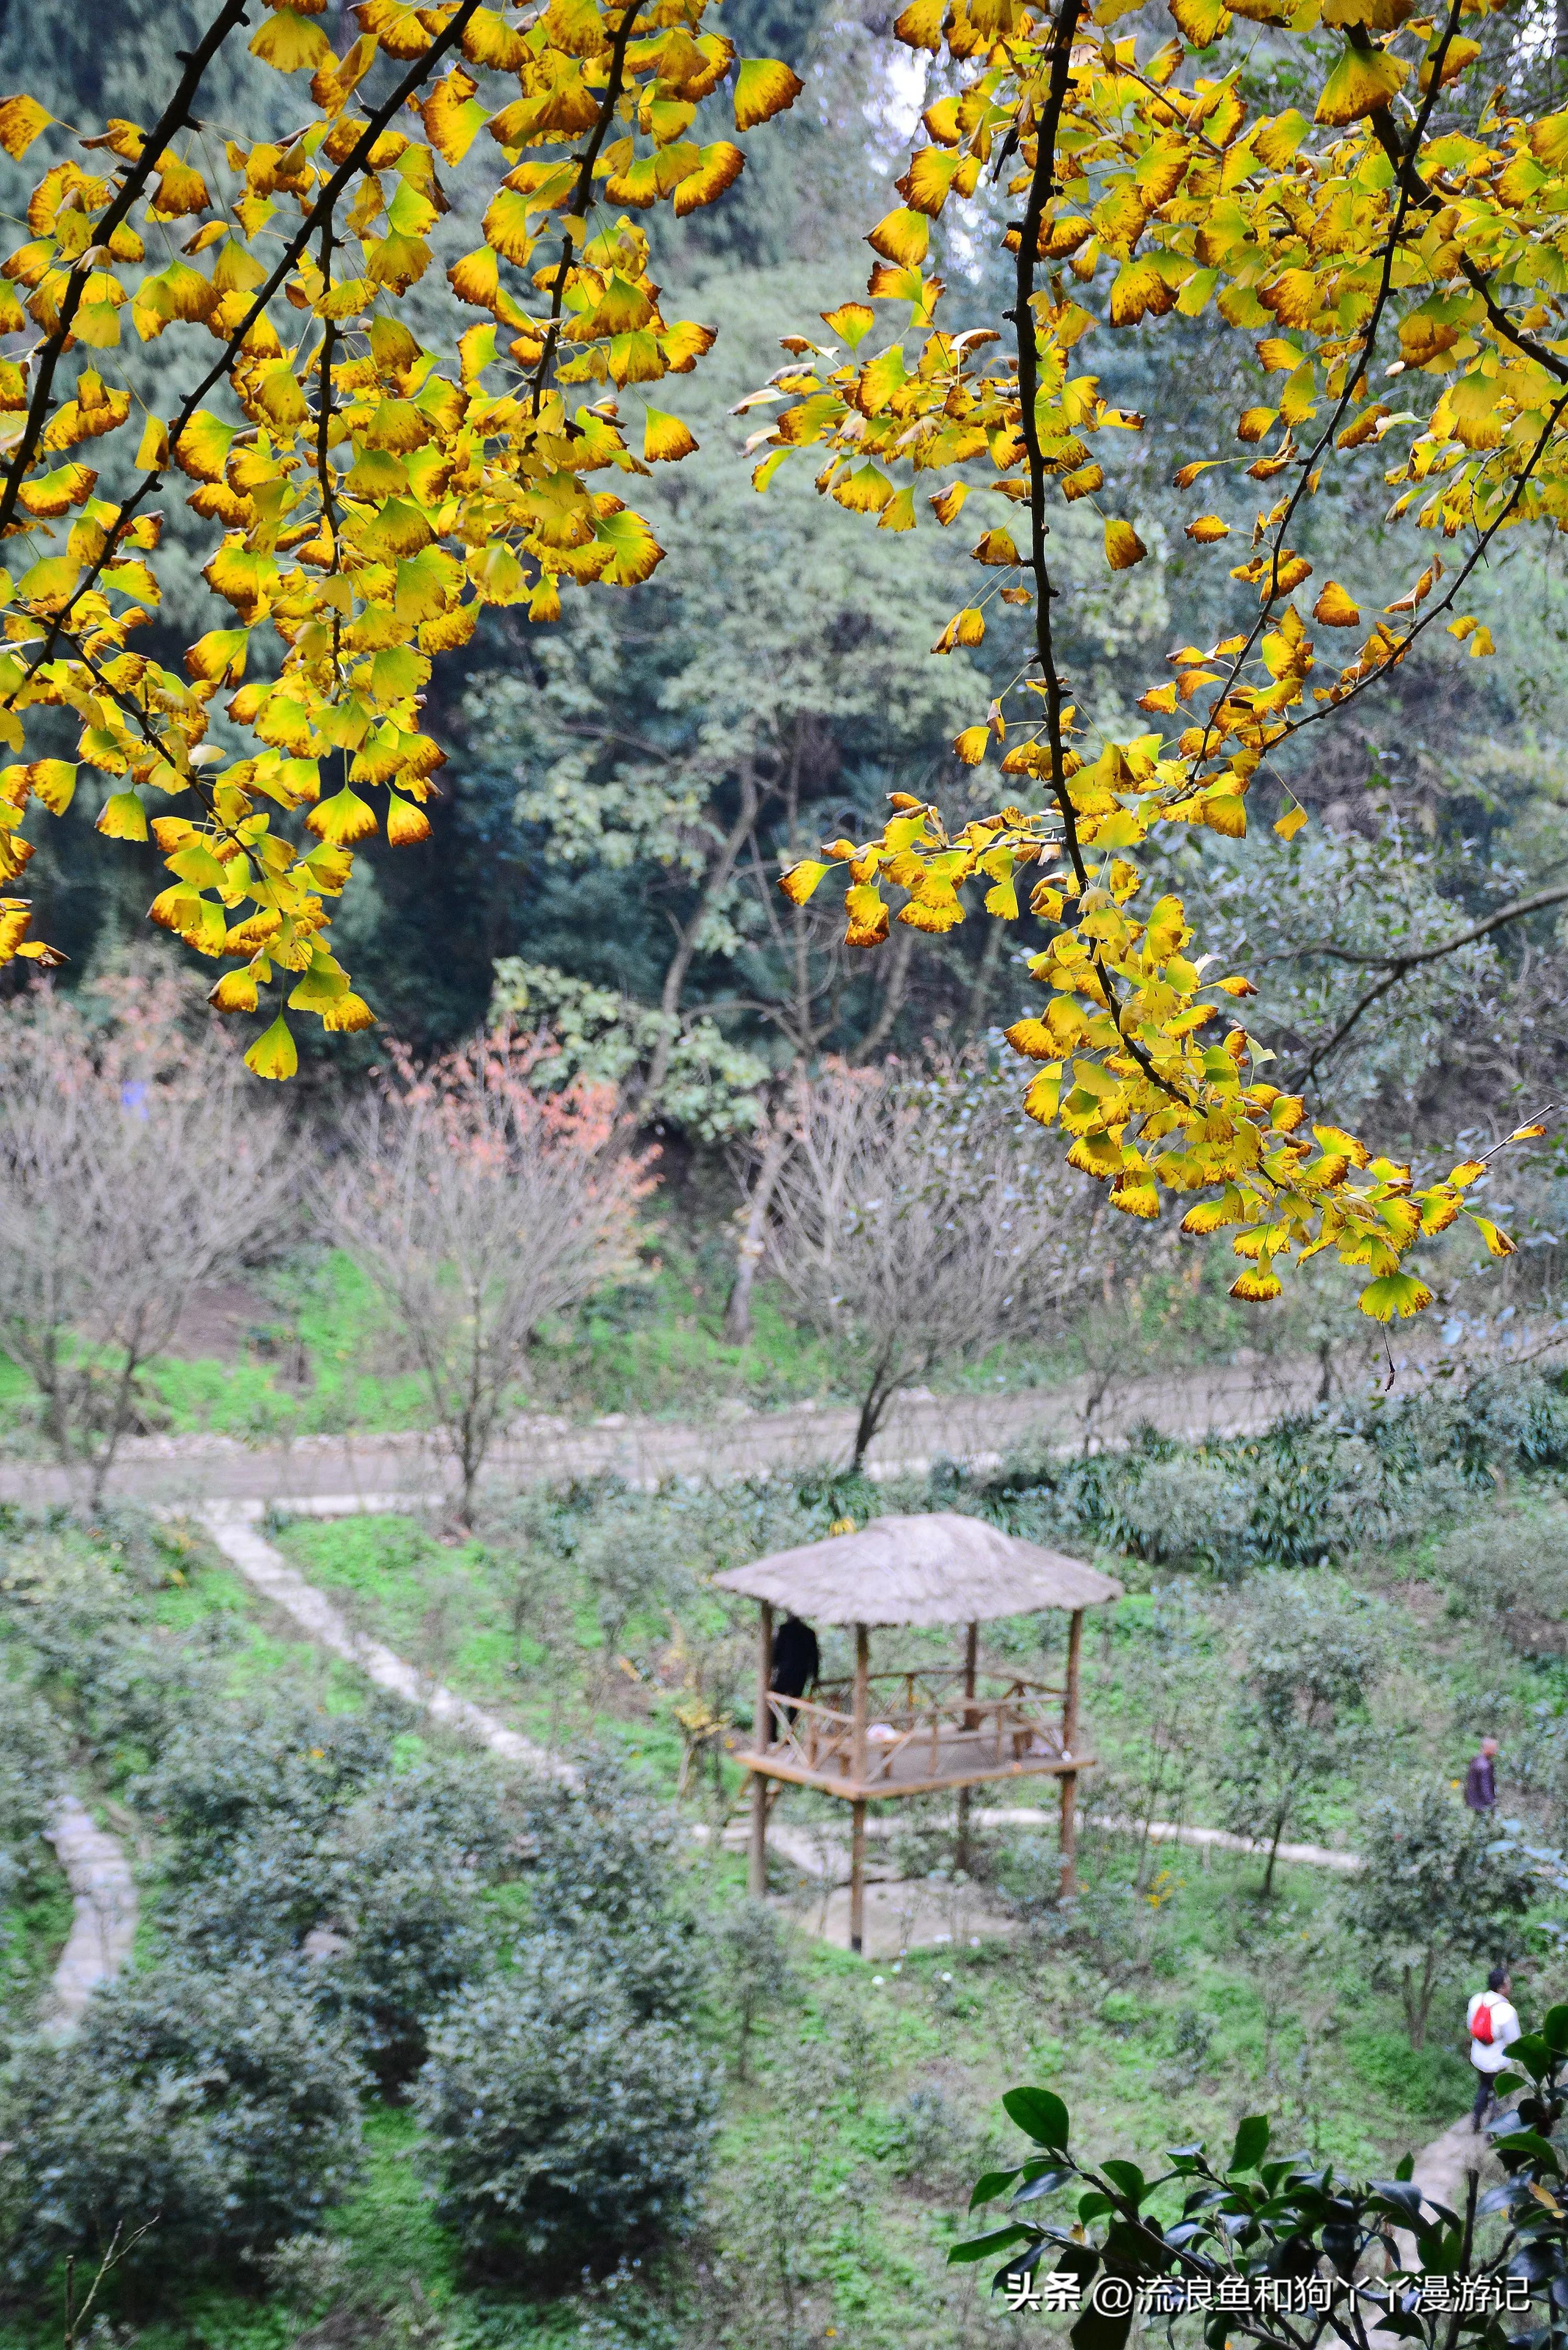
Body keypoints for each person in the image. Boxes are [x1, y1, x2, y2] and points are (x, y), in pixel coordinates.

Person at [1468, 1964, 1521, 2131]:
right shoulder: (1507, 2010)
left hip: (1478, 2057)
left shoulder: (1477, 2000)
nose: (1510, 1986)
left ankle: (1476, 2117)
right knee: (1499, 2094)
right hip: (1497, 2062)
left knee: (1484, 2086)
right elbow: (1515, 2040)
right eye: (1508, 1983)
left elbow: (1471, 2025)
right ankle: (1491, 2130)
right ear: (1501, 1988)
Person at [768, 1614, 820, 1717]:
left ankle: (773, 1732)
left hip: (785, 1673)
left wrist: (772, 1668)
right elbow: (815, 1657)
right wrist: (815, 1676)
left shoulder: (783, 1631)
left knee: (773, 1701)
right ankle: (791, 1730)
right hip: (801, 1675)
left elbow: (775, 1654)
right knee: (794, 1705)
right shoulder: (809, 1633)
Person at [1465, 1736, 1500, 1813]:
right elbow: (1486, 1786)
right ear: (1487, 1748)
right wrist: (1493, 1802)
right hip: (1481, 1805)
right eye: (1494, 1749)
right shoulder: (1485, 1766)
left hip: (1471, 1802)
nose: (1496, 1752)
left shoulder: (1475, 1760)